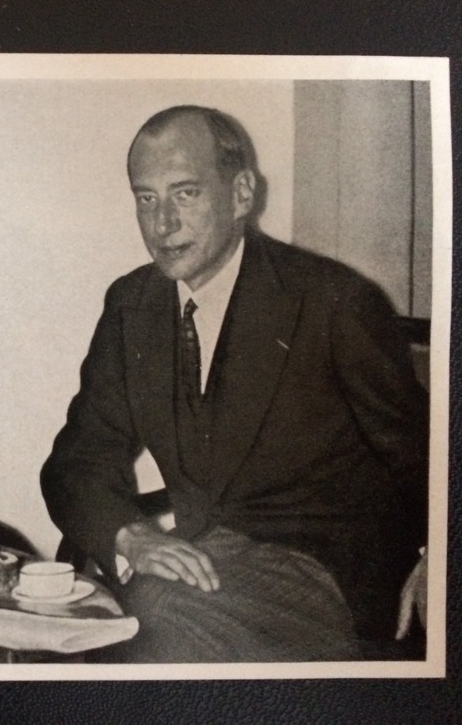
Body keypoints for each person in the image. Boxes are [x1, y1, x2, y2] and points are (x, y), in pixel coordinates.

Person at [41, 105, 429, 662]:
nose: (162, 224)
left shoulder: (332, 302)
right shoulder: (132, 304)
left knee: (143, 623)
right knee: (80, 618)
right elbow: (77, 461)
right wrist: (130, 535)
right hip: (199, 566)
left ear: (241, 194)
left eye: (185, 193)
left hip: (323, 576)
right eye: (146, 199)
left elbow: (431, 455)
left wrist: (439, 555)